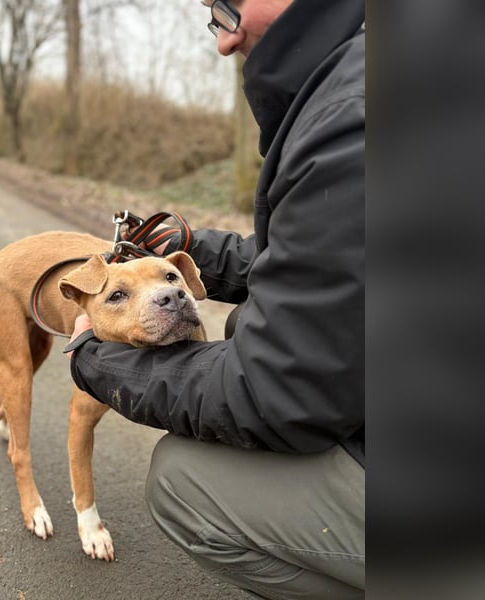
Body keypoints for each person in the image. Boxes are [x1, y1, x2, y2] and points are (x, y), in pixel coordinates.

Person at [65, 0, 365, 597]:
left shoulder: (347, 119)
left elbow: (276, 390)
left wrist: (95, 359)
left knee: (182, 480)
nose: (223, 42)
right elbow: (335, 266)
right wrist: (195, 249)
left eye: (223, 9)